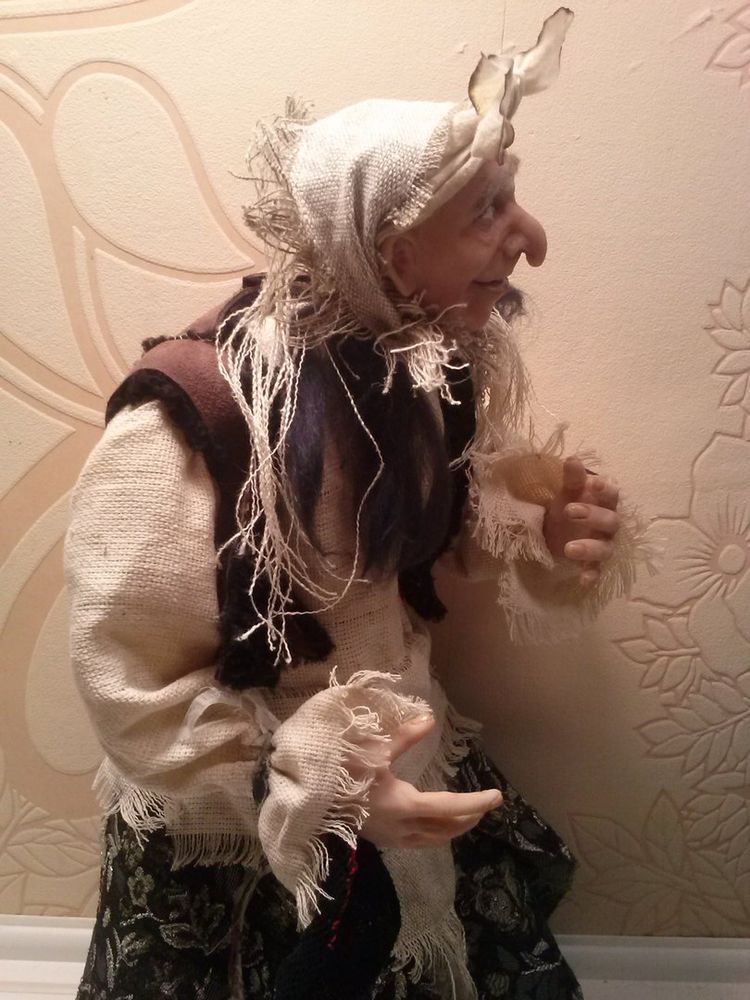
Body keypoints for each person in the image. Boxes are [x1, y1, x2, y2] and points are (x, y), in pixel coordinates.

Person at [66, 8, 647, 999]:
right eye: (486, 211)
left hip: (409, 764)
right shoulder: (197, 420)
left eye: (513, 199)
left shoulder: (421, 373)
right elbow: (125, 681)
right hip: (249, 840)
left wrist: (538, 532)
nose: (532, 241)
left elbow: (420, 538)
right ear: (388, 250)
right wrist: (312, 786)